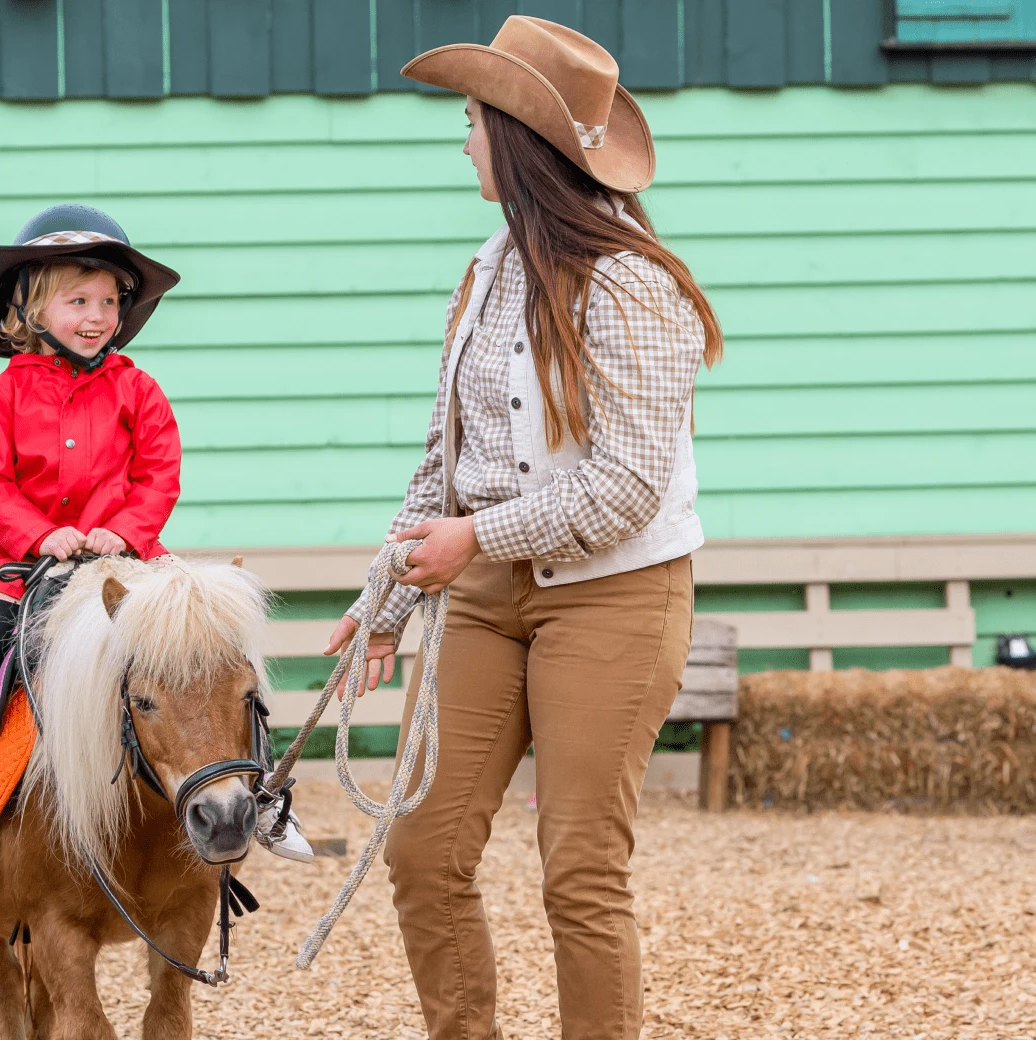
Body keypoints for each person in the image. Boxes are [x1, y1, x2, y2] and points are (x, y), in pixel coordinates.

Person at [324, 18, 723, 1040]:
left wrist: (470, 542)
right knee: (424, 849)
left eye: (469, 122)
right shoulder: (488, 266)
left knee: (580, 868)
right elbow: (442, 456)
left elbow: (624, 487)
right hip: (487, 590)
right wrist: (384, 595)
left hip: (615, 593)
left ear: (514, 138)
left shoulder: (633, 283)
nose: (460, 142)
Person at [0, 204, 185, 893]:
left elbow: (159, 476)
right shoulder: (2, 395)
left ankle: (261, 794)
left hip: (124, 568)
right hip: (21, 572)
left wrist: (123, 530)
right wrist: (39, 534)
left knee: (202, 645)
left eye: (109, 302)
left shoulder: (139, 390)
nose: (97, 316)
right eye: (78, 300)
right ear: (31, 308)